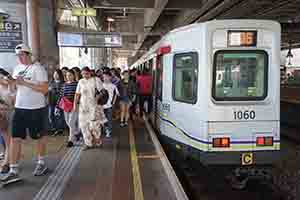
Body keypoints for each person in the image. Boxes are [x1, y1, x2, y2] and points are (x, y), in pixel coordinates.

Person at [1, 44, 49, 182]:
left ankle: (41, 163)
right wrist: (11, 83)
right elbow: (14, 88)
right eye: (18, 56)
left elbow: (45, 89)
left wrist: (25, 83)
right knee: (15, 138)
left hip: (36, 108)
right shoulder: (17, 68)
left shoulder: (38, 69)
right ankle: (13, 169)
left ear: (28, 55)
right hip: (19, 108)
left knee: (38, 137)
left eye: (22, 55)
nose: (20, 58)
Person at [73, 67, 107, 150]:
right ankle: (88, 143)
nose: (85, 75)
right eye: (83, 74)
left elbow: (103, 91)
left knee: (94, 125)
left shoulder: (96, 80)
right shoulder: (81, 82)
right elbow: (77, 94)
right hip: (83, 107)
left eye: (86, 73)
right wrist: (74, 104)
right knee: (84, 126)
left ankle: (97, 138)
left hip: (93, 107)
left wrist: (97, 97)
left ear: (90, 73)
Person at [56, 70, 78, 147]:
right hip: (66, 106)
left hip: (75, 105)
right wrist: (57, 107)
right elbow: (61, 96)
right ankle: (76, 133)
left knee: (71, 122)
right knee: (68, 122)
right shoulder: (64, 85)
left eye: (70, 75)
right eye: (67, 75)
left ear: (74, 76)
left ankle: (70, 140)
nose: (69, 77)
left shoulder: (77, 84)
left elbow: (79, 95)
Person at [102, 71, 119, 137]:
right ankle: (105, 129)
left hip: (109, 106)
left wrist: (113, 103)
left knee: (109, 119)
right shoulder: (101, 85)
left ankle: (109, 131)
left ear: (110, 77)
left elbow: (116, 95)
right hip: (101, 106)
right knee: (102, 119)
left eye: (107, 77)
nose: (105, 78)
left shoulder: (113, 86)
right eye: (104, 77)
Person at [48, 69, 65, 135]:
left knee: (60, 115)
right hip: (51, 101)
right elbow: (49, 92)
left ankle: (60, 129)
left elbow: (61, 93)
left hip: (60, 102)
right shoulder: (51, 82)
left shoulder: (63, 83)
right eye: (54, 74)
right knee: (50, 115)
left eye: (57, 74)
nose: (55, 75)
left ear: (60, 75)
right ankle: (54, 128)